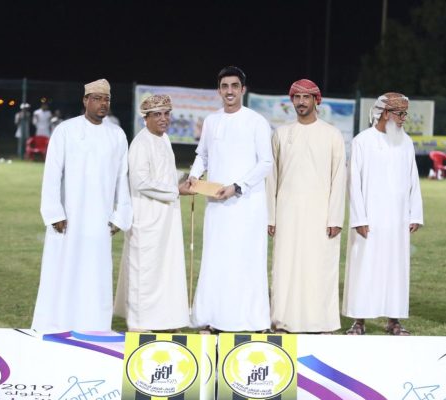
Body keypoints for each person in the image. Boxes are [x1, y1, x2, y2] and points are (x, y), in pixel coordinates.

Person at [32, 79, 132, 332]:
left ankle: (93, 326)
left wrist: (120, 215)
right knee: (62, 270)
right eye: (97, 98)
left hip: (100, 219)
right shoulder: (66, 130)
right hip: (68, 218)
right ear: (86, 100)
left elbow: (123, 178)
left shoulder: (117, 135)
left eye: (107, 99)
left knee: (95, 273)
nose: (103, 104)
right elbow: (52, 173)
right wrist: (54, 212)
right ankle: (55, 324)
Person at [188, 66, 273, 332]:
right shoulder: (211, 121)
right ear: (219, 90)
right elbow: (202, 155)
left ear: (243, 89)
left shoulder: (256, 121)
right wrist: (194, 176)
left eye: (234, 86)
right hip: (217, 204)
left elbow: (266, 162)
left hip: (247, 205)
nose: (229, 91)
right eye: (224, 86)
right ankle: (215, 318)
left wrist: (237, 186)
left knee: (246, 260)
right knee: (217, 259)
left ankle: (253, 320)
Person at [266, 79, 346, 333]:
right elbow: (272, 178)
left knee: (319, 268)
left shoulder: (332, 134)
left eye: (306, 97)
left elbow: (339, 178)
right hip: (286, 213)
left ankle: (321, 322)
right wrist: (270, 216)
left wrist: (335, 218)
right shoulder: (281, 134)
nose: (301, 102)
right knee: (285, 268)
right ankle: (282, 321)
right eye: (296, 97)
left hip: (320, 214)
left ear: (315, 100)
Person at [342, 92, 423, 336]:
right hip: (369, 220)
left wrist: (415, 214)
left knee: (395, 269)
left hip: (397, 219)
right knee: (363, 268)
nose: (403, 119)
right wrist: (359, 218)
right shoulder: (362, 141)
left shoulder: (405, 142)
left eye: (405, 114)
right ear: (385, 113)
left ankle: (393, 320)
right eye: (400, 114)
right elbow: (353, 183)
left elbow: (413, 178)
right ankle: (359, 321)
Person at [114, 94, 191, 332]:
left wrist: (185, 178)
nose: (163, 119)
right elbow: (141, 182)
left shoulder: (163, 139)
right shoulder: (140, 143)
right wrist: (176, 190)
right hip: (146, 216)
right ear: (145, 118)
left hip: (166, 216)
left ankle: (164, 320)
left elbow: (164, 172)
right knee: (144, 270)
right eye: (157, 114)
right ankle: (139, 324)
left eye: (167, 114)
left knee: (165, 269)